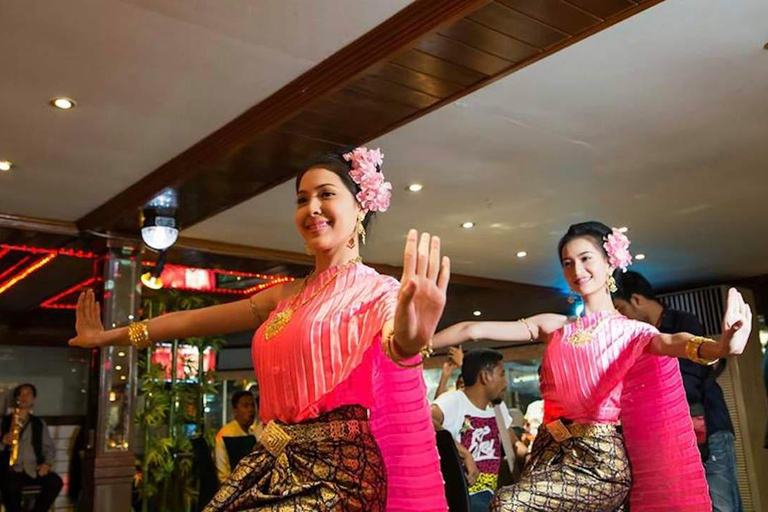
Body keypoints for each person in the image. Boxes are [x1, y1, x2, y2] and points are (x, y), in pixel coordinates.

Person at [69, 147, 451, 511]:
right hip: (272, 460)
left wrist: (407, 343)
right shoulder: (285, 295)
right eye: (302, 199)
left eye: (326, 194)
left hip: (340, 475)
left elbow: (394, 338)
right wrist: (111, 337)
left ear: (361, 207)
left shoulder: (378, 291)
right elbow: (191, 321)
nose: (312, 207)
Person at [434, 221, 752, 511]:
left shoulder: (631, 332)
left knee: (507, 504)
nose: (577, 269)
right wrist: (413, 343)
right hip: (548, 453)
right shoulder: (555, 326)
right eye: (568, 263)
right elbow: (470, 330)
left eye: (586, 258)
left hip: (600, 461)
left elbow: (674, 342)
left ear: (609, 262)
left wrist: (720, 347)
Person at [614, 270, 743, 511]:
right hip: (671, 434)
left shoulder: (682, 322)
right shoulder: (637, 338)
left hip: (709, 426)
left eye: (621, 309)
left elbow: (688, 379)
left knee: (721, 502)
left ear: (637, 300)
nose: (623, 318)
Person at [432, 349, 526, 512]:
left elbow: (515, 444)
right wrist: (464, 453)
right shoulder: (454, 400)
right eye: (502, 374)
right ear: (485, 376)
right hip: (463, 498)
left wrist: (532, 457)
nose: (505, 382)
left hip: (490, 495)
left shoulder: (498, 407)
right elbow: (425, 419)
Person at [0, 384, 63, 512]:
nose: (24, 397)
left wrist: (47, 464)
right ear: (16, 398)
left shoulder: (39, 423)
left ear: (33, 399)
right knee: (10, 486)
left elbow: (49, 447)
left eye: (28, 394)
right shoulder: (3, 422)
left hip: (34, 469)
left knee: (55, 482)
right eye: (21, 394)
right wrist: (2, 442)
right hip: (10, 470)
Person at [215, 391, 258, 483]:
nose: (251, 410)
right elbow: (223, 475)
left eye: (252, 405)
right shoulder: (226, 436)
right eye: (245, 406)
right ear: (235, 410)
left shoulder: (253, 433)